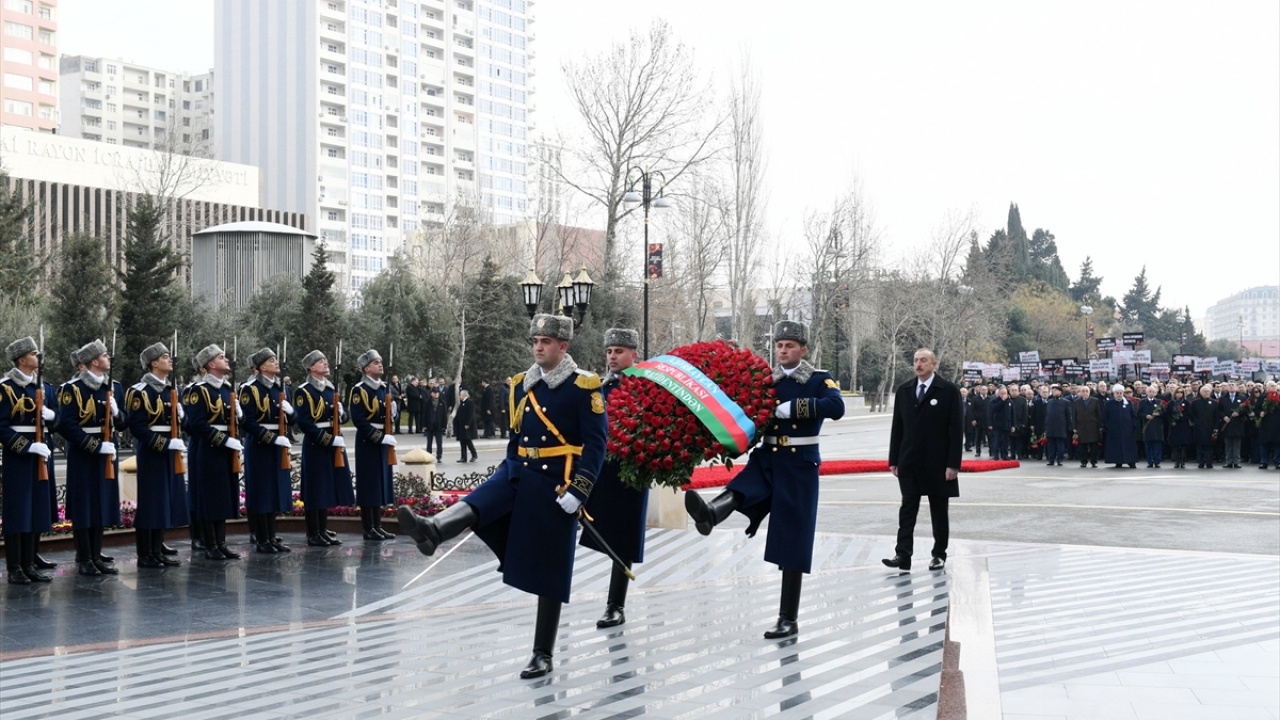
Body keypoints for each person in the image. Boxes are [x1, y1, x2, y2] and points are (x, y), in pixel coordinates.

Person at [398, 313, 607, 678]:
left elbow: (596, 446)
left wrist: (580, 490)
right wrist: (507, 468)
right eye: (535, 342)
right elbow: (516, 438)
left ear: (563, 346)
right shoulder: (520, 385)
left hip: (557, 482)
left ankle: (543, 652)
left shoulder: (583, 386)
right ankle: (432, 530)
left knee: (551, 568)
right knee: (482, 499)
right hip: (519, 470)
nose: (538, 347)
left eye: (546, 342)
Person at [684, 320, 845, 637]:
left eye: (789, 346)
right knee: (743, 487)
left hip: (799, 464)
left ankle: (789, 618)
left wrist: (796, 408)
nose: (783, 351)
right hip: (769, 456)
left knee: (792, 539)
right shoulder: (765, 381)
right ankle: (710, 514)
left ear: (803, 350)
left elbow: (836, 407)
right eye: (779, 346)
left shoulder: (817, 379)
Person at [582, 327, 648, 629]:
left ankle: (615, 605)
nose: (612, 356)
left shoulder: (646, 386)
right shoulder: (600, 386)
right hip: (599, 470)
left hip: (630, 471)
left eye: (618, 351)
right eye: (609, 351)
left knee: (623, 538)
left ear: (633, 354)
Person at [879, 348, 963, 576]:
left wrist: (953, 464)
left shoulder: (948, 391)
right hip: (910, 461)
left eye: (923, 360)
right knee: (907, 509)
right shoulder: (905, 390)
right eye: (916, 360)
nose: (918, 364)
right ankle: (903, 555)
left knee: (938, 510)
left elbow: (956, 430)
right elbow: (898, 427)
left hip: (938, 463)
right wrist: (894, 459)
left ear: (934, 364)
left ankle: (939, 554)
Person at [55, 340, 123, 576]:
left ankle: (96, 554)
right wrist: (95, 446)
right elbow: (66, 426)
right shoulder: (72, 389)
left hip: (107, 451)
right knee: (85, 505)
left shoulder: (114, 387)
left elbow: (123, 423)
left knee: (101, 502)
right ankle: (85, 557)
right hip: (84, 454)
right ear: (94, 361)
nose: (109, 359)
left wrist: (116, 411)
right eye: (105, 355)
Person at [125, 342, 189, 568]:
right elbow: (137, 427)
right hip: (153, 452)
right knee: (151, 502)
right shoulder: (140, 391)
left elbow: (182, 423)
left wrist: (183, 415)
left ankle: (157, 549)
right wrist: (164, 444)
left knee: (164, 500)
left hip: (170, 451)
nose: (169, 360)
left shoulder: (172, 390)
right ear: (153, 363)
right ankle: (145, 554)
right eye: (164, 357)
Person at [1, 337, 58, 584]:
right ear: (22, 360)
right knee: (17, 511)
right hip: (19, 457)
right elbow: (1, 427)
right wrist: (27, 446)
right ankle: (15, 566)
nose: (39, 356)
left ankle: (29, 563)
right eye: (34, 353)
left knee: (35, 508)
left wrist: (51, 416)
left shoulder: (43, 387)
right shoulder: (5, 388)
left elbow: (57, 423)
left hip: (41, 453)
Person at [184, 345, 245, 560]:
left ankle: (221, 542)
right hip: (209, 449)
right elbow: (198, 424)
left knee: (223, 497)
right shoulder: (198, 390)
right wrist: (224, 441)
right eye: (221, 357)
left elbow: (233, 423)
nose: (226, 359)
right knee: (210, 498)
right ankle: (210, 543)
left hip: (226, 449)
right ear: (210, 364)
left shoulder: (227, 389)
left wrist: (239, 415)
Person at [293, 350, 355, 546]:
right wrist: (328, 440)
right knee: (315, 488)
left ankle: (322, 528)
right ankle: (313, 532)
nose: (325, 364)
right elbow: (304, 423)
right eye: (321, 362)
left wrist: (342, 413)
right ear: (311, 368)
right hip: (316, 444)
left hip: (333, 442)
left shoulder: (330, 389)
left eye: (325, 361)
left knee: (327, 487)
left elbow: (343, 418)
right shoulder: (304, 391)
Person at [238, 348, 295, 553]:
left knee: (274, 491)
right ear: (262, 367)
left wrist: (292, 413)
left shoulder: (279, 388)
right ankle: (262, 538)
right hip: (260, 445)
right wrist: (272, 439)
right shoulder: (249, 388)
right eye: (272, 361)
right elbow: (248, 422)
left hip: (277, 445)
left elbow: (291, 419)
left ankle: (271, 536)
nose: (276, 363)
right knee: (262, 492)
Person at [349, 349, 398, 540]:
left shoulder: (384, 388)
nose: (380, 365)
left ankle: (378, 525)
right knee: (368, 485)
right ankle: (368, 527)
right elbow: (359, 420)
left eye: (381, 362)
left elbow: (385, 417)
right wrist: (379, 437)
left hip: (383, 441)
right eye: (376, 363)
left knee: (379, 484)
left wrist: (393, 413)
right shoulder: (360, 389)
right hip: (368, 442)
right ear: (367, 368)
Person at [1102, 383, 1138, 468]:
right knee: (1116, 447)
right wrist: (1108, 426)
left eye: (1120, 393)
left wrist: (1133, 425)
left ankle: (1130, 461)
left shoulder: (1128, 403)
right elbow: (1105, 416)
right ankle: (1118, 461)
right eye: (1117, 393)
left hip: (1127, 430)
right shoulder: (1109, 403)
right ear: (1114, 394)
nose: (1119, 395)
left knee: (1128, 446)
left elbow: (1133, 415)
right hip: (1114, 430)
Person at [1072, 386, 1104, 468]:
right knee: (1082, 446)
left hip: (1093, 426)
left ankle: (1094, 461)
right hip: (1081, 426)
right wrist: (1074, 427)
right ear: (1080, 392)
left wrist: (1100, 426)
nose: (1085, 393)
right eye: (1083, 391)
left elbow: (1098, 414)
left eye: (1086, 391)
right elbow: (1074, 415)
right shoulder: (1076, 402)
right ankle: (1083, 461)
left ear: (1089, 392)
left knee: (1094, 445)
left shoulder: (1095, 401)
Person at [1218, 382, 1247, 469]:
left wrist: (1239, 413)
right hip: (1227, 424)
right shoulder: (1223, 398)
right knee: (1228, 445)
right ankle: (1229, 461)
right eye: (1229, 385)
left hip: (1237, 424)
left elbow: (1246, 409)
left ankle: (1236, 461)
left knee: (1237, 444)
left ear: (1236, 387)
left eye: (1232, 385)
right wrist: (1224, 417)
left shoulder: (1242, 398)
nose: (1231, 386)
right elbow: (1219, 410)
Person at [1138, 385, 1166, 468]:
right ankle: (1150, 461)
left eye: (1153, 392)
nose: (1151, 393)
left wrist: (1159, 414)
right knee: (1148, 445)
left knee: (1157, 445)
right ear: (1147, 392)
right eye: (1150, 391)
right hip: (1147, 427)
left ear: (1156, 393)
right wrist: (1146, 416)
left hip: (1157, 427)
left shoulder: (1159, 402)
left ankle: (1157, 461)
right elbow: (1138, 413)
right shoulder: (1142, 402)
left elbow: (1164, 413)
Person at [1044, 385, 1073, 466]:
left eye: (1056, 390)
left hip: (1061, 427)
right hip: (1050, 426)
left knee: (1060, 444)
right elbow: (1047, 415)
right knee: (1051, 444)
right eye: (1053, 391)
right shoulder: (1049, 402)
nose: (1054, 392)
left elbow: (1068, 415)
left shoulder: (1066, 402)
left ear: (1060, 392)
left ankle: (1059, 459)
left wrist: (1068, 426)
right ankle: (1051, 460)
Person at [1167, 387, 1195, 469]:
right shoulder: (1171, 403)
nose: (1179, 394)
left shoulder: (1186, 403)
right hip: (1174, 425)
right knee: (1175, 444)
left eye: (1181, 392)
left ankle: (1182, 460)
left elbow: (1189, 413)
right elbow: (1168, 414)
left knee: (1183, 444)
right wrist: (1171, 421)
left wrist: (1180, 417)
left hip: (1183, 425)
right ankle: (1176, 461)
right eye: (1177, 392)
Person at [1258, 381, 1280, 470]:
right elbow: (1256, 408)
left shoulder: (1279, 397)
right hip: (1265, 425)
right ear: (1266, 388)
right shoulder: (1262, 398)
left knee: (1278, 444)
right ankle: (1264, 462)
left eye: (1275, 386)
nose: (1273, 387)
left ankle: (1277, 462)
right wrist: (1260, 413)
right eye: (1271, 386)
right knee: (1264, 444)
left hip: (1277, 425)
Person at [987, 385, 1012, 460]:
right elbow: (994, 409)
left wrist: (1012, 425)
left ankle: (1004, 455)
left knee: (1005, 441)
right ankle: (996, 455)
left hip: (1006, 424)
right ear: (998, 394)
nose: (1004, 395)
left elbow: (1012, 413)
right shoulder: (994, 401)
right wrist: (1002, 401)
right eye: (1002, 393)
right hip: (997, 424)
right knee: (996, 441)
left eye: (1005, 393)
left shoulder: (1010, 401)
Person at [453, 388, 478, 463]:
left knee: (468, 441)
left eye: (460, 395)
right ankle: (463, 457)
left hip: (466, 426)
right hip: (461, 426)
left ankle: (474, 455)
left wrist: (468, 424)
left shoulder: (469, 402)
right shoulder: (461, 403)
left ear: (464, 395)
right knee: (462, 442)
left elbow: (471, 414)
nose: (459, 396)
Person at [424, 387, 446, 460]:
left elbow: (444, 415)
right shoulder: (427, 403)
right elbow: (424, 415)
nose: (436, 394)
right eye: (435, 393)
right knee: (429, 442)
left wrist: (444, 426)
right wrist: (424, 425)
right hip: (430, 424)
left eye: (437, 393)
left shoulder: (442, 403)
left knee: (439, 442)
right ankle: (429, 455)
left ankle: (439, 456)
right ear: (432, 393)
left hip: (438, 425)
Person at [967, 384, 989, 456]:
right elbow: (972, 410)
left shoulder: (990, 399)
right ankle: (978, 451)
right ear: (980, 390)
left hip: (987, 421)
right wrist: (973, 419)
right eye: (983, 390)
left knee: (990, 437)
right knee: (978, 437)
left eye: (985, 390)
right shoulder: (975, 399)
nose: (984, 391)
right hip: (978, 420)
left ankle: (991, 451)